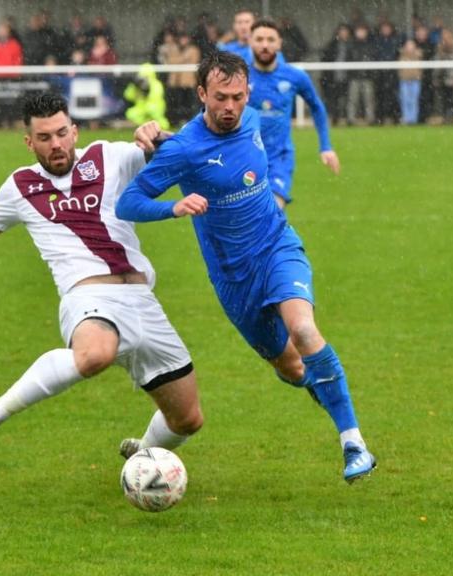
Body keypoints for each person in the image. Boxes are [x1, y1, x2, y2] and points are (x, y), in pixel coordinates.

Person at [0, 93, 204, 456]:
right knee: (95, 354)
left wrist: (158, 135)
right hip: (90, 299)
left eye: (62, 133)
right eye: (45, 138)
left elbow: (181, 153)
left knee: (186, 420)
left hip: (144, 301)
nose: (56, 144)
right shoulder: (21, 186)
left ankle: (142, 456)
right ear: (29, 142)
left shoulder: (109, 157)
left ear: (75, 132)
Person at [116, 52, 376, 484]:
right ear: (202, 94)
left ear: (248, 93)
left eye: (238, 96)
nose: (230, 107)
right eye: (220, 97)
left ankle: (353, 442)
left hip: (277, 247)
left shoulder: (253, 119)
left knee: (305, 330)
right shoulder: (183, 150)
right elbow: (128, 202)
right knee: (293, 368)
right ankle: (329, 391)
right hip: (234, 281)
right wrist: (174, 206)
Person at [246, 19, 338, 209]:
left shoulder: (295, 76)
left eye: (271, 39)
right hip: (245, 156)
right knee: (246, 219)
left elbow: (317, 107)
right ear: (250, 41)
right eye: (260, 39)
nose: (265, 45)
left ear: (279, 43)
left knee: (272, 211)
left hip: (280, 157)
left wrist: (326, 146)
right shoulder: (239, 76)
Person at [320, 24, 351, 127]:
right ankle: (335, 119)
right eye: (342, 31)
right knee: (334, 99)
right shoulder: (332, 45)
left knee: (347, 99)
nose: (343, 34)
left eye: (345, 31)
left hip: (347, 77)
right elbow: (325, 59)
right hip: (333, 78)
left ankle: (348, 119)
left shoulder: (351, 45)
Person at [124, 62, 170, 130]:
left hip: (155, 106)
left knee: (153, 112)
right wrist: (134, 87)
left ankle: (162, 126)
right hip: (141, 107)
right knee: (131, 114)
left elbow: (156, 97)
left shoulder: (156, 84)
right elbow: (128, 96)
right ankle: (144, 125)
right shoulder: (137, 85)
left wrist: (146, 90)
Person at [434, 29, 453, 124]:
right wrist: (436, 78)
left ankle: (451, 118)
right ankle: (445, 118)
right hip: (442, 77)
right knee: (443, 100)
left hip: (450, 78)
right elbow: (437, 63)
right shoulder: (440, 47)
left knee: (451, 99)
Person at [398, 39, 423, 125]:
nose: (410, 47)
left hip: (415, 81)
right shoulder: (402, 55)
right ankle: (406, 118)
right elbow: (401, 70)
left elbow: (419, 70)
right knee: (405, 100)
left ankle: (413, 119)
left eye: (411, 45)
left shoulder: (418, 56)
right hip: (404, 81)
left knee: (414, 101)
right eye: (408, 45)